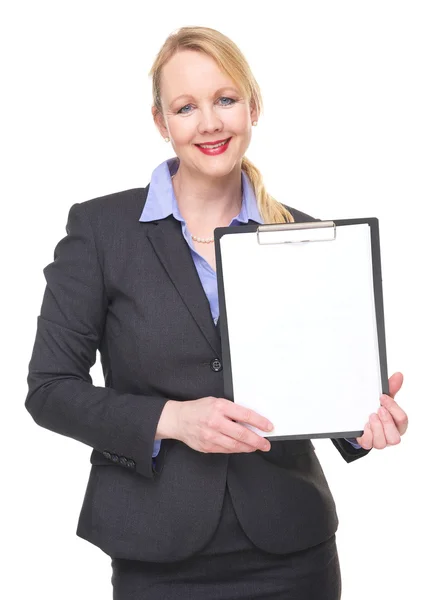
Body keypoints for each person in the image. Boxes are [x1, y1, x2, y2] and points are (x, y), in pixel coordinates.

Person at [25, 26, 408, 600]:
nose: (209, 123)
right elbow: (50, 389)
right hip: (158, 552)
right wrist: (173, 420)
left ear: (253, 107)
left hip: (292, 552)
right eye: (186, 107)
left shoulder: (305, 236)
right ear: (162, 122)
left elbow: (318, 387)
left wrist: (366, 419)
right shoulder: (101, 232)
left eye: (225, 100)